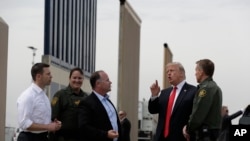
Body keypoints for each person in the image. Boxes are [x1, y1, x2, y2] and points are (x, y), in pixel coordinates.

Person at [148, 62, 197, 141]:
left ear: (181, 73)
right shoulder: (164, 93)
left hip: (181, 137)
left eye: (171, 70)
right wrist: (154, 96)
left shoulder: (193, 91)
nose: (168, 74)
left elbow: (196, 115)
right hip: (161, 138)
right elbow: (153, 110)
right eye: (167, 72)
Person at [17, 63, 62, 141]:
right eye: (48, 74)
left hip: (42, 137)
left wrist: (53, 124)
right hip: (29, 138)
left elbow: (40, 119)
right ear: (38, 76)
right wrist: (48, 126)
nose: (51, 76)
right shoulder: (28, 96)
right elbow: (24, 123)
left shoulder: (44, 96)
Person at [183, 59, 223, 141]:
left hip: (205, 134)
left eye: (196, 70)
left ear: (201, 72)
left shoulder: (205, 89)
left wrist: (188, 128)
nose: (195, 73)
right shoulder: (215, 87)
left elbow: (198, 113)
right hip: (211, 133)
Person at [78, 70, 122, 141]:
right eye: (107, 80)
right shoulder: (86, 103)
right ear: (98, 83)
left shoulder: (108, 102)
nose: (110, 82)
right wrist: (105, 134)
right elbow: (84, 127)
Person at [49, 67, 88, 141]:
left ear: (83, 80)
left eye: (80, 78)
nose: (77, 80)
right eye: (74, 78)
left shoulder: (86, 97)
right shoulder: (60, 95)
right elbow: (53, 118)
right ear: (69, 78)